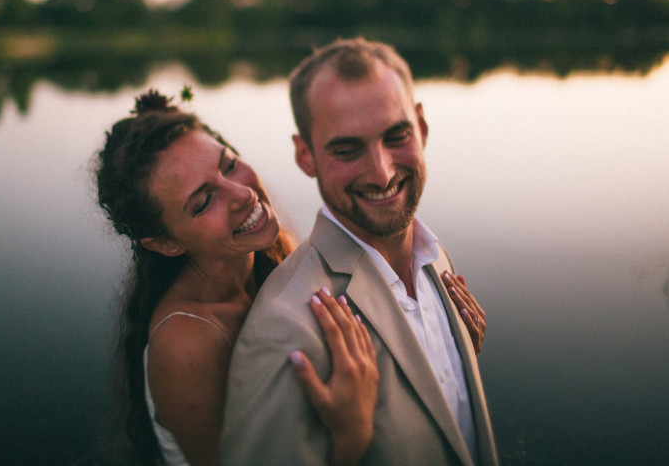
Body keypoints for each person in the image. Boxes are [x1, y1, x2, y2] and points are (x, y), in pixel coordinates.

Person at [95, 88, 487, 466]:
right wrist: (350, 437)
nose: (241, 194)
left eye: (229, 164)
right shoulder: (187, 344)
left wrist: (443, 341)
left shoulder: (276, 261)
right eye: (203, 201)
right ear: (164, 243)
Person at [222, 38, 498, 465]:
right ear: (305, 156)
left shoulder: (436, 260)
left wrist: (453, 347)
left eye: (397, 135)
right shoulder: (284, 328)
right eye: (347, 149)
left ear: (421, 127)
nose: (381, 172)